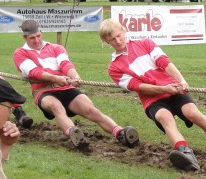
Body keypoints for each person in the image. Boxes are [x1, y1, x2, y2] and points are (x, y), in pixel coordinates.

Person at [100, 19, 206, 171]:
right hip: (152, 98)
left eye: (119, 35)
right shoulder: (114, 68)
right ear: (106, 41)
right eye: (112, 39)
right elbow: (138, 86)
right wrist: (163, 89)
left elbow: (164, 62)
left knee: (193, 113)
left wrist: (181, 81)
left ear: (124, 30)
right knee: (165, 117)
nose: (118, 41)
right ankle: (185, 154)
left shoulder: (146, 43)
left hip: (174, 88)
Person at [12, 19, 138, 149]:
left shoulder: (56, 48)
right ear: (25, 37)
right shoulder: (20, 53)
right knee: (56, 107)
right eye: (32, 38)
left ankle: (120, 133)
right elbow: (34, 72)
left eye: (38, 36)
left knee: (91, 110)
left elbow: (65, 64)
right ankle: (74, 134)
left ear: (41, 32)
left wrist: (75, 76)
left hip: (65, 87)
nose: (37, 40)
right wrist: (56, 78)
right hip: (43, 90)